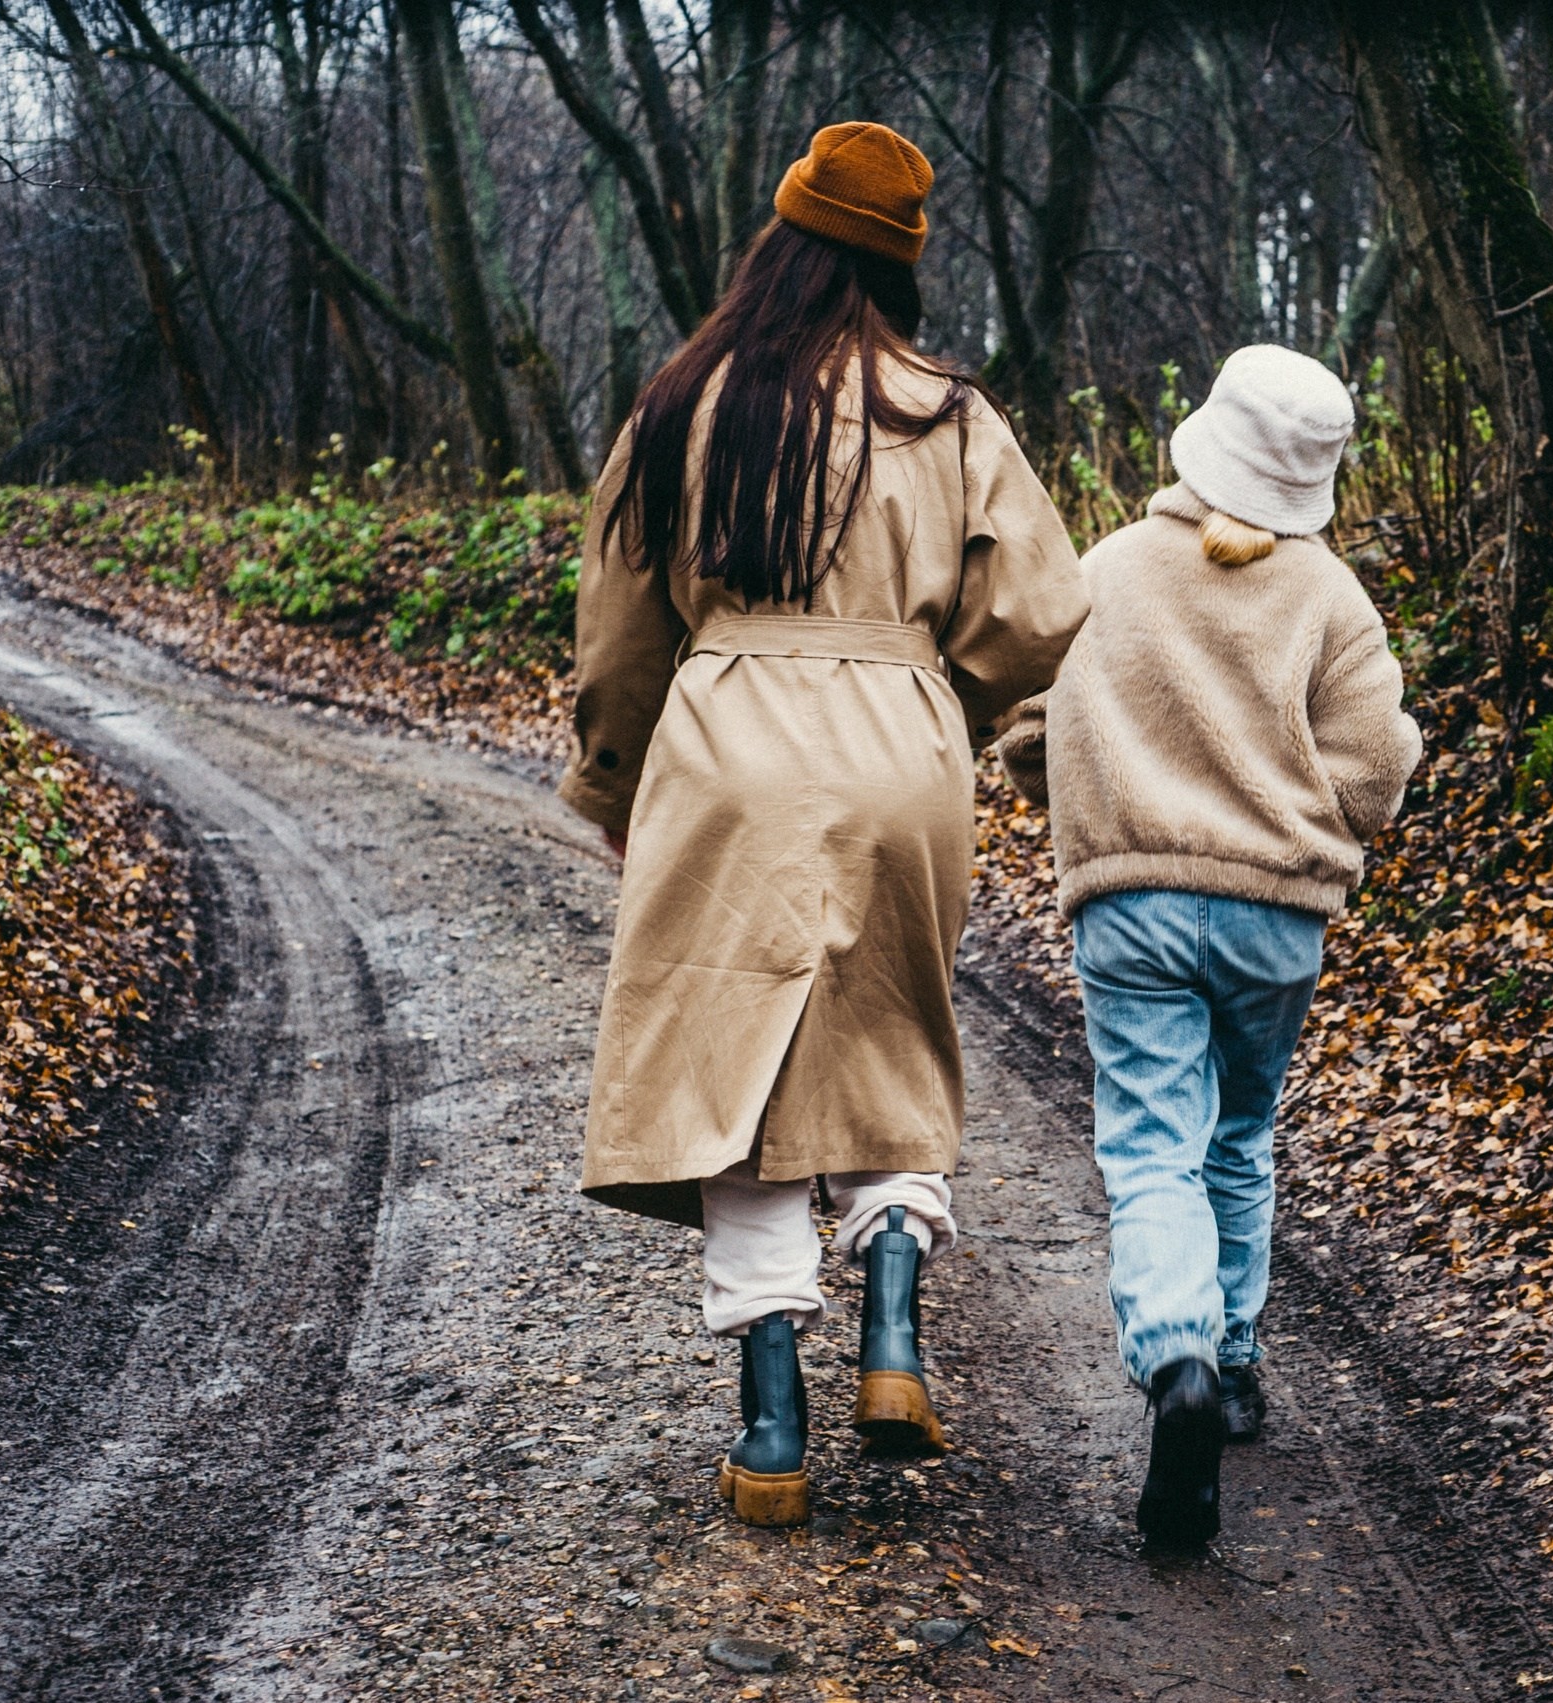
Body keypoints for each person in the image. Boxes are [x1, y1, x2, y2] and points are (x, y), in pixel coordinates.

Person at [558, 121, 1088, 1528]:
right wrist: (960, 717)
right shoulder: (947, 411)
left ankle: (774, 1424)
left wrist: (616, 783)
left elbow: (621, 631)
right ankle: (894, 1330)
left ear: (778, 241)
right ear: (898, 265)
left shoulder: (686, 398)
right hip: (902, 749)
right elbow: (1039, 619)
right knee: (889, 1033)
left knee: (726, 1071)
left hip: (727, 745)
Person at [998, 345, 1421, 1545]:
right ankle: (1231, 1367)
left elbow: (1025, 728)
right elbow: (1377, 768)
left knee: (1151, 1149)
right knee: (1236, 1133)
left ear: (1204, 436)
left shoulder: (1108, 570)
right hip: (1275, 917)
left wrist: (1082, 787)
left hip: (1129, 900)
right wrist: (1312, 824)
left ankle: (1175, 1353)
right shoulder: (1331, 596)